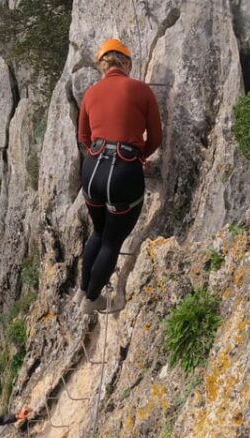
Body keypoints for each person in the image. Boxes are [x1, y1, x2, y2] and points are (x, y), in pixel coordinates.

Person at [76, 38, 163, 314]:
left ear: (103, 66)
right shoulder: (141, 90)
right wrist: (137, 157)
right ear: (127, 63)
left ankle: (83, 289)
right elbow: (156, 137)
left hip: (92, 171)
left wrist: (99, 155)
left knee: (99, 232)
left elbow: (83, 136)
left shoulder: (91, 93)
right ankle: (92, 300)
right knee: (112, 241)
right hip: (124, 173)